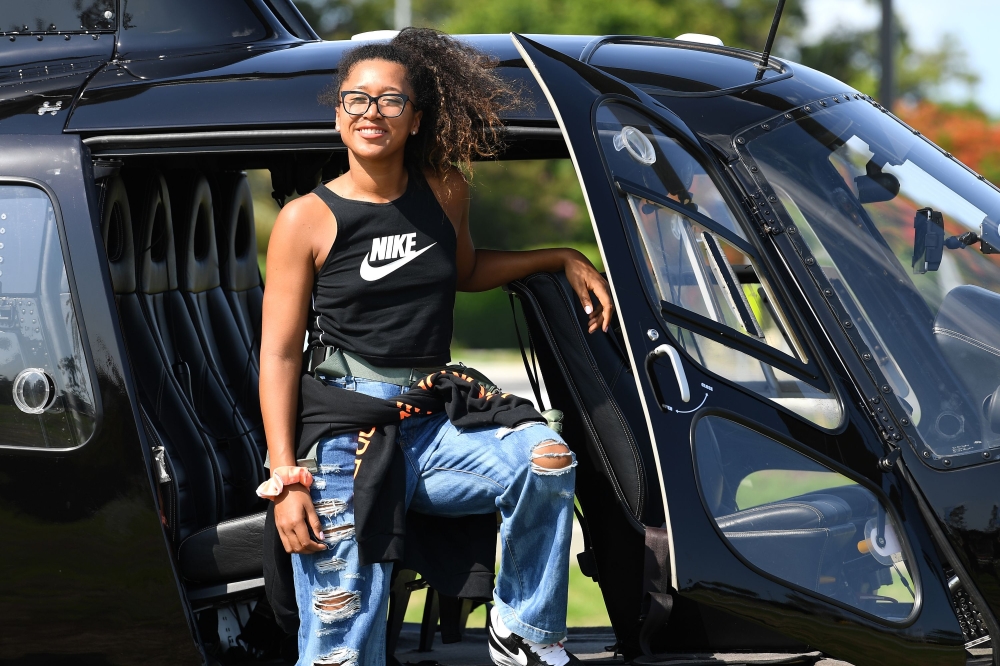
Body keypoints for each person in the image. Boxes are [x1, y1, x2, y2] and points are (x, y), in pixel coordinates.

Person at [259, 27, 613, 666]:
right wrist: (285, 477)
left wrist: (559, 255)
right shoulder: (304, 219)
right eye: (356, 100)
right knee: (344, 648)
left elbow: (467, 271)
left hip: (433, 423)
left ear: (415, 118)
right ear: (338, 113)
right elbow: (279, 355)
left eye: (391, 101)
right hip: (345, 435)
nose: (372, 113)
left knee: (547, 459)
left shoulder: (445, 190)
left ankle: (524, 634)